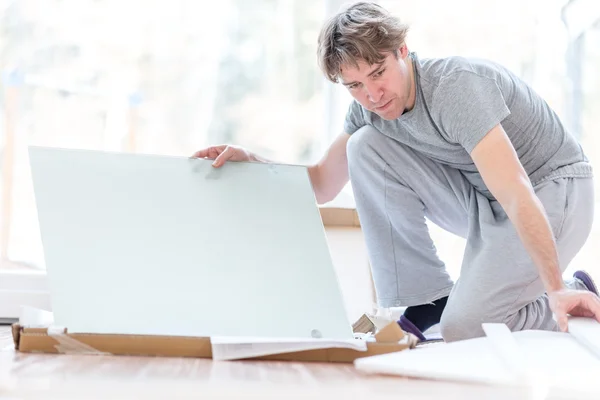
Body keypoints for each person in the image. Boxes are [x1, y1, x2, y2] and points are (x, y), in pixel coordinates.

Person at [191, 1, 600, 342]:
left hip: (554, 192)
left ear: (402, 50)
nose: (372, 95)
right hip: (487, 201)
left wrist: (555, 287)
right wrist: (254, 162)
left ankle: (576, 295)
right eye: (354, 85)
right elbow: (320, 183)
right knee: (363, 146)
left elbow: (515, 190)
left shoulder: (456, 87)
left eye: (377, 74)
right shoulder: (368, 109)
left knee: (465, 328)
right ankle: (427, 299)